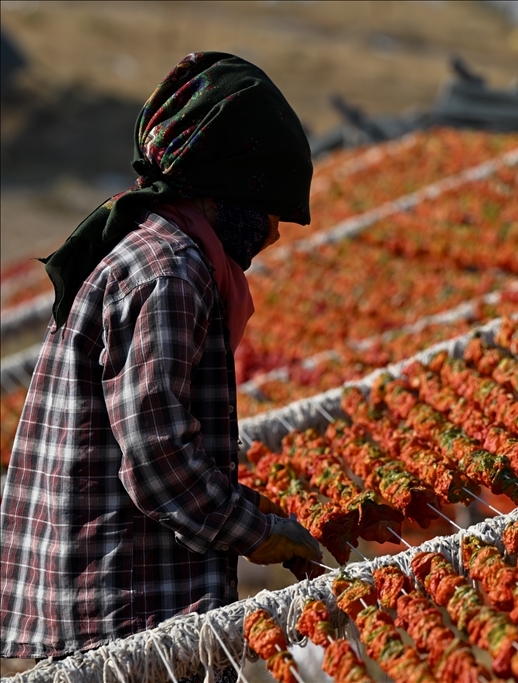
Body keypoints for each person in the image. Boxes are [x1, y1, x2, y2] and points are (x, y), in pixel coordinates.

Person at [0, 53, 322, 674]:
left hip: (110, 594)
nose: (273, 235)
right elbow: (157, 460)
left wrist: (253, 513)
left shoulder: (146, 249)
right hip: (125, 605)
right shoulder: (171, 273)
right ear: (221, 192)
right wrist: (257, 531)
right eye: (268, 212)